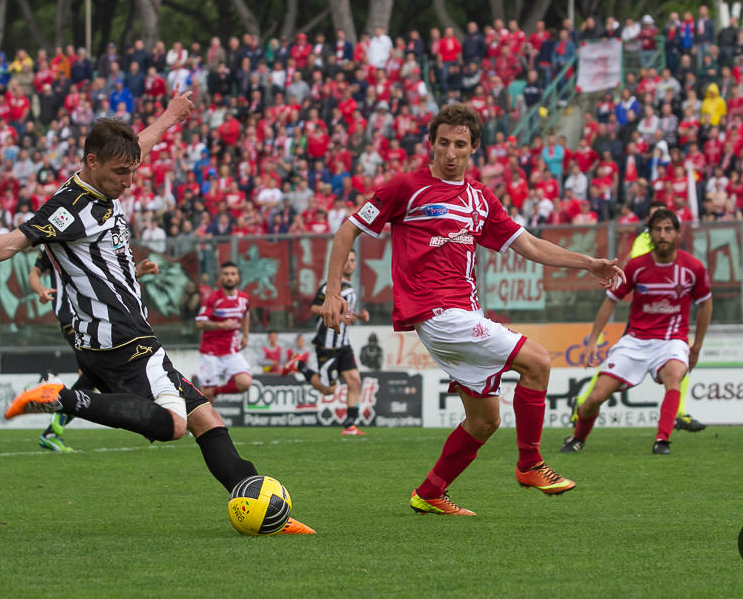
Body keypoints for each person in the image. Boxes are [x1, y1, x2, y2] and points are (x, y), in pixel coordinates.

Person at [0, 93, 315, 534]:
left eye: (131, 170)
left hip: (108, 336)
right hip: (122, 336)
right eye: (120, 173)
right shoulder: (68, 208)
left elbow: (138, 148)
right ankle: (63, 398)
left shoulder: (108, 178)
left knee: (204, 417)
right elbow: (13, 241)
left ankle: (263, 510)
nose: (129, 181)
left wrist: (169, 117)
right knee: (173, 425)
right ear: (91, 162)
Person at [320, 104, 624, 515]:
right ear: (431, 144)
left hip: (466, 314)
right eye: (442, 143)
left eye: (459, 144)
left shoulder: (481, 199)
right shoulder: (406, 187)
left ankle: (429, 493)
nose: (449, 152)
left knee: (484, 421)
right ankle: (530, 463)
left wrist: (588, 263)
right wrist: (333, 291)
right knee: (537, 362)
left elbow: (530, 245)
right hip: (437, 313)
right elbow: (348, 229)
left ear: (473, 148)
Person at [560, 208, 713, 456]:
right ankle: (578, 438)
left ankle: (662, 440)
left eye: (668, 229)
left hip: (671, 341)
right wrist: (592, 342)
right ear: (650, 234)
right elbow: (610, 300)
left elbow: (706, 303)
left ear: (677, 233)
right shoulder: (637, 267)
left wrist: (697, 347)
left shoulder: (692, 268)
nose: (663, 234)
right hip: (635, 342)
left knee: (673, 376)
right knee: (595, 397)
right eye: (658, 229)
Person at [28, 249, 159, 453]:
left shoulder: (90, 241)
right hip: (73, 318)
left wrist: (139, 270)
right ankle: (147, 421)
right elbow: (34, 274)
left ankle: (54, 428)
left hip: (94, 319)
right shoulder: (53, 243)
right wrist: (40, 291)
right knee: (99, 370)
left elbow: (106, 275)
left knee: (94, 375)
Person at [289, 249, 369, 435]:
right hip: (327, 344)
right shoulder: (330, 287)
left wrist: (359, 316)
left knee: (355, 381)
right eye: (346, 260)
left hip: (343, 343)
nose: (350, 263)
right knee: (329, 390)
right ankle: (299, 365)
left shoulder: (351, 288)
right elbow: (315, 307)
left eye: (352, 260)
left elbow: (346, 315)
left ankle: (350, 425)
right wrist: (340, 317)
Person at [195, 261, 253, 402]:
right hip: (211, 352)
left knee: (245, 382)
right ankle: (208, 416)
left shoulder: (244, 299)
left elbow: (246, 315)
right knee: (207, 397)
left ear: (238, 277)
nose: (229, 277)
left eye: (233, 274)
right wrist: (221, 325)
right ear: (220, 278)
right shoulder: (213, 299)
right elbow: (200, 323)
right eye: (226, 274)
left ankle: (214, 390)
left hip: (231, 352)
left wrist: (245, 335)